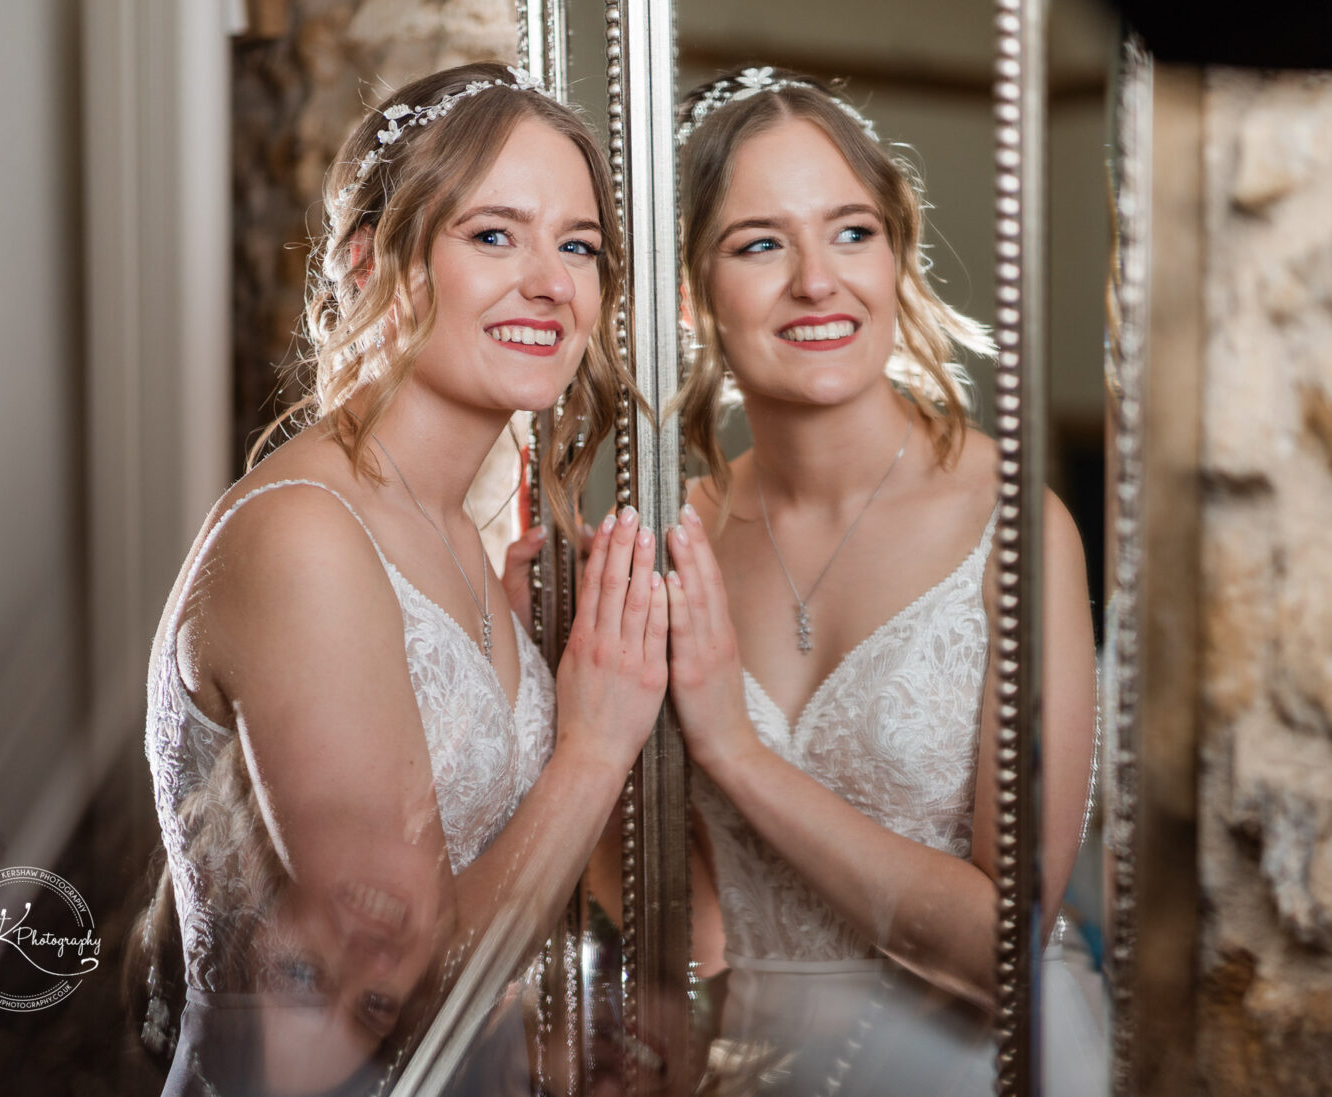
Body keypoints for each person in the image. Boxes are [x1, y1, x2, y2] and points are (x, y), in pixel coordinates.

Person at [134, 62, 669, 1097]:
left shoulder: (458, 542)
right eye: (493, 234)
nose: (553, 283)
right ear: (368, 259)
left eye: (579, 246)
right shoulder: (304, 534)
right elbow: (388, 988)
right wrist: (595, 742)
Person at [665, 67, 1106, 1095]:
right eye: (761, 243)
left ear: (898, 254)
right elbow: (687, 915)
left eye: (852, 231)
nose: (818, 281)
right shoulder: (677, 533)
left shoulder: (1016, 524)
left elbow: (1007, 945)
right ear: (691, 296)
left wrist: (737, 750)